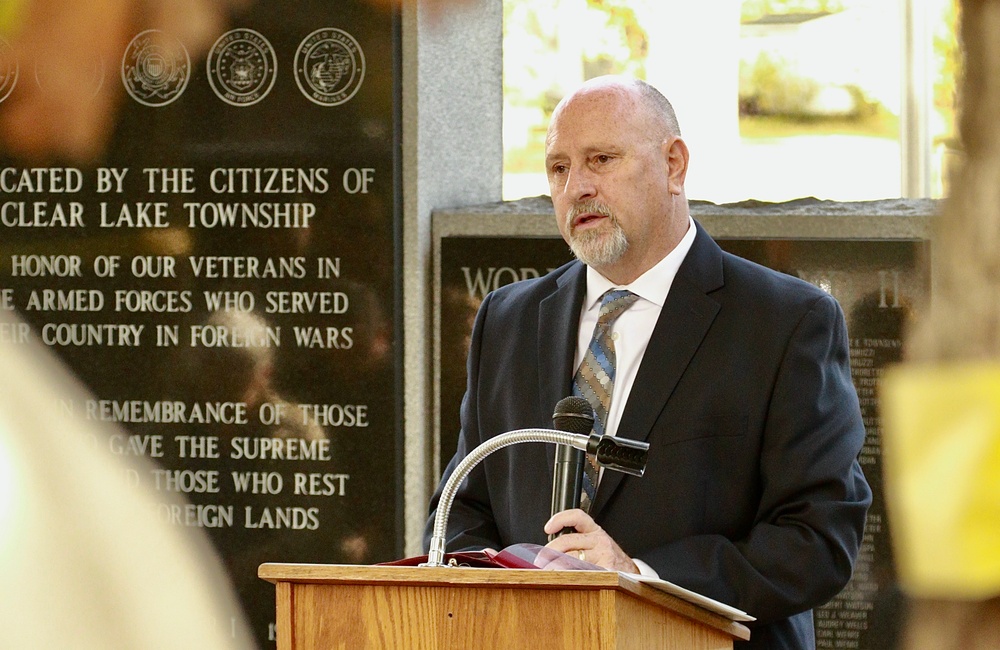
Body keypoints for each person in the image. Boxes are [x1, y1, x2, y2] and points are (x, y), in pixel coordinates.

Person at [424, 76, 871, 649]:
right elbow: (462, 505)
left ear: (674, 166)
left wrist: (639, 577)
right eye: (558, 169)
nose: (577, 187)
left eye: (601, 160)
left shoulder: (784, 321)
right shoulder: (509, 318)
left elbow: (819, 539)